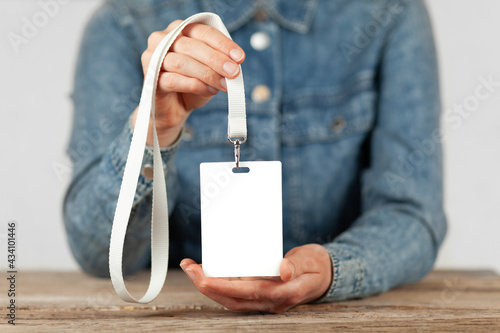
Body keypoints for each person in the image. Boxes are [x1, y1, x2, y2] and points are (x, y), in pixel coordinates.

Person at [64, 0, 447, 313]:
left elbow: (412, 213)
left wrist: (335, 269)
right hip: (184, 319)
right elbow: (98, 252)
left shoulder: (390, 12)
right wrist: (154, 133)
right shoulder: (123, 22)